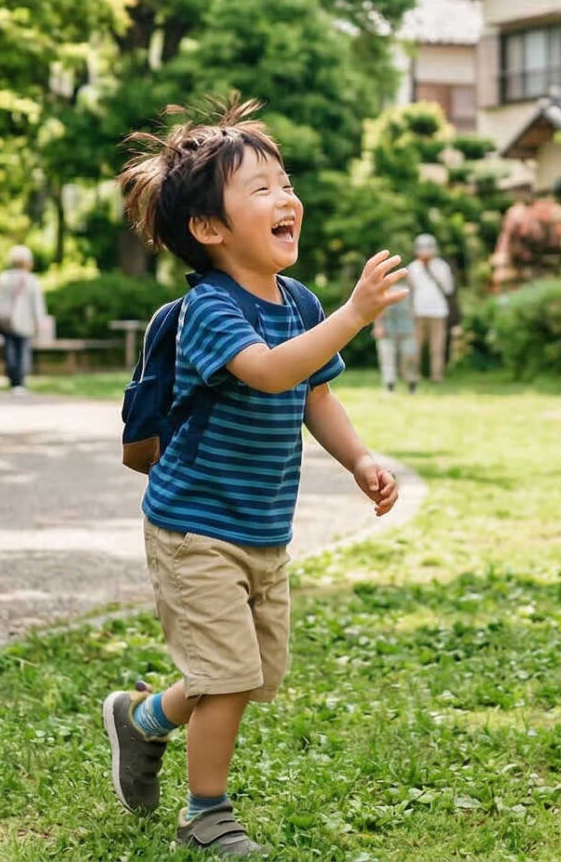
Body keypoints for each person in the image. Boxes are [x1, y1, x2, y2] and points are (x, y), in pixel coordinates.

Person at [98, 100, 406, 855]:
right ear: (209, 228)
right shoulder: (210, 308)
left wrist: (361, 459)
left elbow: (313, 394)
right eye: (261, 188)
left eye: (285, 182)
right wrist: (353, 315)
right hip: (195, 526)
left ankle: (143, 719)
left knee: (248, 671)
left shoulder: (298, 303)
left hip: (263, 529)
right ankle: (206, 814)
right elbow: (269, 372)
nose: (285, 198)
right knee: (228, 675)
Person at [0, 245, 45, 397]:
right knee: (23, 351)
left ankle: (13, 380)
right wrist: (39, 320)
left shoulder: (4, 277)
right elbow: (37, 303)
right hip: (25, 320)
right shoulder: (31, 279)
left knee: (10, 351)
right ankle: (20, 381)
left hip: (7, 320)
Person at [404, 233, 455, 385]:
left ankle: (437, 376)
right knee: (415, 346)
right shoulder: (412, 267)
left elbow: (449, 289)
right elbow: (408, 292)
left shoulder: (442, 266)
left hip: (438, 312)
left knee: (437, 347)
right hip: (418, 312)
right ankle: (413, 375)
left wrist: (433, 272)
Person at [370, 267, 416, 393]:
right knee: (388, 357)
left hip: (406, 327)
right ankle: (390, 385)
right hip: (388, 327)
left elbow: (413, 309)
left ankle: (411, 383)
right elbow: (379, 309)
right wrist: (378, 326)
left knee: (408, 357)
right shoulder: (383, 289)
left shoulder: (410, 288)